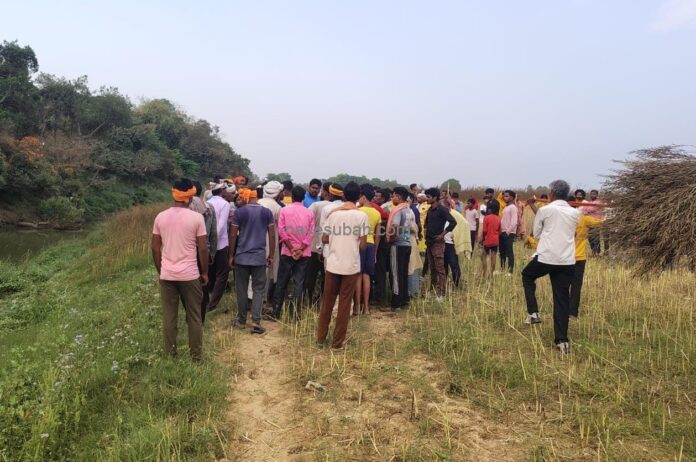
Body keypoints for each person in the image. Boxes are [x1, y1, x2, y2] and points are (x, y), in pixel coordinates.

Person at [151, 178, 208, 361]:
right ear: (190, 197)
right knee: (194, 316)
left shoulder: (160, 217)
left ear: (174, 195)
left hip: (167, 274)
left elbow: (155, 248)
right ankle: (196, 356)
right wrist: (204, 272)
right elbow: (202, 248)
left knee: (169, 317)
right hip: (190, 275)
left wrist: (161, 270)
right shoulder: (197, 218)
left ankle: (170, 355)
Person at [521, 180, 580, 354]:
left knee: (527, 275)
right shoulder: (575, 212)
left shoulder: (545, 210)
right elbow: (573, 232)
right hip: (566, 260)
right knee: (562, 300)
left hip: (547, 257)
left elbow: (537, 233)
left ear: (552, 194)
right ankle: (562, 341)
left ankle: (533, 313)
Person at [527, 197, 603, 320]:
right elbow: (602, 223)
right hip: (577, 257)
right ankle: (572, 313)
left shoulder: (559, 218)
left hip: (565, 257)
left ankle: (563, 313)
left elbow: (542, 217)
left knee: (562, 286)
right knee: (575, 286)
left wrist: (532, 205)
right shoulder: (583, 218)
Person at [316, 182, 368, 350]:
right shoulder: (361, 216)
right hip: (351, 265)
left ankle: (320, 338)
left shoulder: (333, 214)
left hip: (333, 263)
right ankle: (337, 343)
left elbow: (324, 238)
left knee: (327, 301)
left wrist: (335, 240)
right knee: (345, 304)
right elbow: (363, 246)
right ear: (359, 196)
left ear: (344, 195)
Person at [229, 188, 275, 335]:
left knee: (241, 289)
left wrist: (231, 255)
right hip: (259, 258)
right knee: (259, 289)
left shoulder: (240, 212)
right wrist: (271, 255)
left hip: (241, 257)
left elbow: (233, 236)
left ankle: (241, 321)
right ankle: (256, 322)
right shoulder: (267, 213)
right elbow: (272, 235)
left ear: (246, 198)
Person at [271, 185, 315, 321]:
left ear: (292, 197)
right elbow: (311, 233)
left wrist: (291, 248)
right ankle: (295, 314)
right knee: (298, 283)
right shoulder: (309, 213)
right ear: (303, 198)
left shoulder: (284, 210)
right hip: (303, 253)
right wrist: (301, 248)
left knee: (282, 281)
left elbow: (282, 231)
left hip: (287, 251)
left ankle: (276, 311)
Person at [189, 181, 218, 323]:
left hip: (188, 251)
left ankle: (191, 317)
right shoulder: (209, 208)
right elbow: (213, 233)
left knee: (188, 285)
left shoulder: (186, 208)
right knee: (203, 284)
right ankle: (200, 319)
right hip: (204, 250)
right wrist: (212, 253)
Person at [203, 182, 231, 314]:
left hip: (207, 243)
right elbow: (220, 225)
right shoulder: (225, 204)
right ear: (221, 191)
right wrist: (214, 242)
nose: (227, 191)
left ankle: (206, 300)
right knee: (222, 274)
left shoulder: (207, 203)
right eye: (225, 189)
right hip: (220, 244)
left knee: (209, 272)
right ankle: (213, 304)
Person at [424, 188, 456, 300]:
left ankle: (442, 293)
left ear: (435, 197)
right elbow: (426, 224)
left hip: (437, 243)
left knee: (440, 269)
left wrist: (442, 235)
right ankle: (432, 290)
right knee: (432, 268)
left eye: (428, 197)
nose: (427, 199)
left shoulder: (442, 209)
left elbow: (453, 222)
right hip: (429, 242)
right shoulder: (430, 210)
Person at [355, 184, 381, 315]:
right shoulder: (377, 213)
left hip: (359, 244)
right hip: (371, 245)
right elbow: (378, 235)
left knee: (358, 275)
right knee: (367, 276)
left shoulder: (358, 211)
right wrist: (375, 252)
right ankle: (366, 307)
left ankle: (356, 307)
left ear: (363, 197)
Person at [304, 182, 332, 303]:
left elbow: (305, 222)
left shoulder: (316, 205)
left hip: (313, 246)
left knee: (310, 276)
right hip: (329, 248)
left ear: (324, 192)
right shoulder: (337, 207)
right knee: (326, 277)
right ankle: (322, 301)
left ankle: (308, 300)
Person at [386, 186, 412, 310]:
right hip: (407, 244)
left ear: (399, 197)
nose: (392, 198)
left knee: (395, 274)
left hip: (398, 245)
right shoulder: (408, 209)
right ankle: (404, 299)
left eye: (394, 196)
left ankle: (395, 302)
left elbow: (395, 226)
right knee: (403, 273)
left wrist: (391, 239)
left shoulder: (397, 210)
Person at [258, 181, 283, 304]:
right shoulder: (277, 207)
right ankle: (264, 298)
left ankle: (254, 298)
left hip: (255, 239)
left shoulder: (257, 203)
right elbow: (280, 227)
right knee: (269, 269)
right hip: (270, 241)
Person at [499, 190, 518, 275]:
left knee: (509, 252)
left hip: (509, 233)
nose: (504, 197)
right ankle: (502, 269)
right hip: (502, 232)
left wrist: (507, 232)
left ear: (512, 198)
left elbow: (514, 222)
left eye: (507, 196)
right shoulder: (506, 207)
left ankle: (510, 271)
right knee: (502, 252)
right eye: (504, 196)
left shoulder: (513, 207)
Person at [480, 200, 501, 278]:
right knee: (493, 256)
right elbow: (500, 231)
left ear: (489, 209)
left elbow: (484, 230)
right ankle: (491, 274)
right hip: (495, 240)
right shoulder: (498, 218)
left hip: (488, 240)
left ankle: (484, 272)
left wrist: (482, 239)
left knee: (483, 256)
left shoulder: (486, 218)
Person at [583, 189, 605, 255]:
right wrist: (586, 211)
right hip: (589, 222)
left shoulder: (599, 202)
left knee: (595, 238)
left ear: (597, 195)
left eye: (594, 194)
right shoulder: (589, 202)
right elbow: (584, 210)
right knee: (590, 238)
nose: (592, 195)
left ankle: (596, 252)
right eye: (591, 194)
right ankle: (593, 251)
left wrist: (587, 211)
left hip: (596, 222)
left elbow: (590, 209)